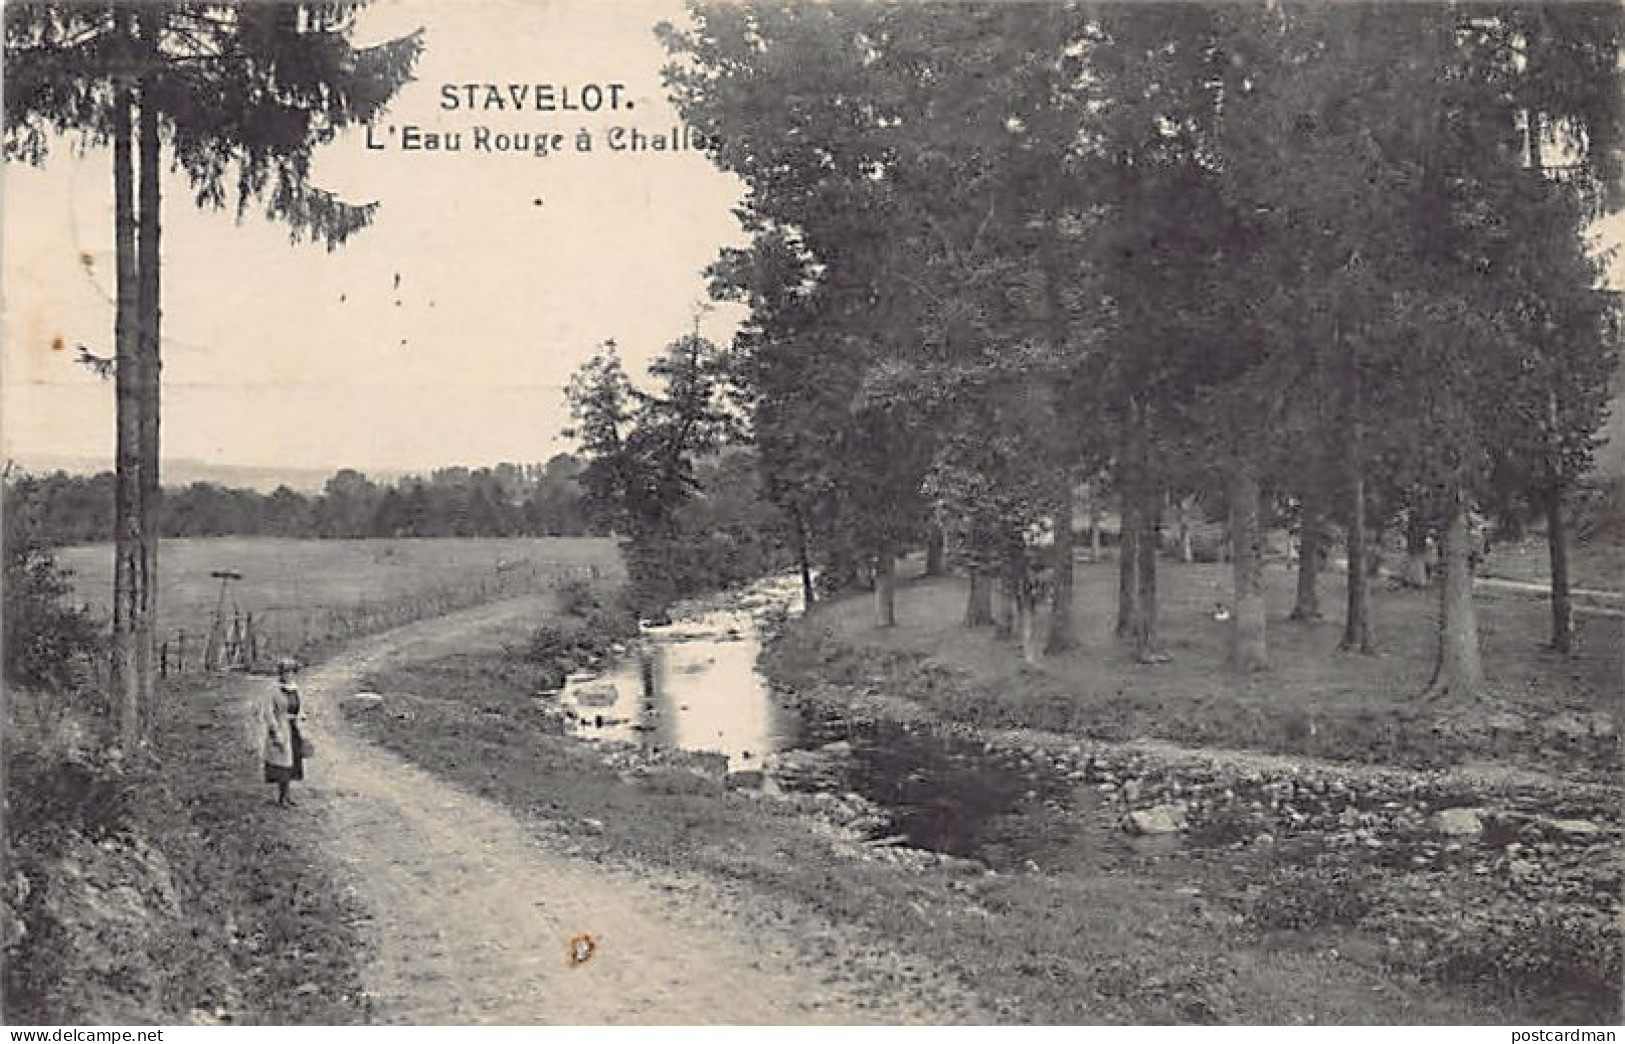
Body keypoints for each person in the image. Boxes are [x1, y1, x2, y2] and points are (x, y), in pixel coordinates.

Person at [261, 660, 307, 806]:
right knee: (282, 763)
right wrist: (275, 731)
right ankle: (281, 797)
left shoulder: (294, 689)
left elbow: (299, 707)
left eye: (292, 672)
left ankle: (287, 795)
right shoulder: (274, 690)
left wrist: (301, 717)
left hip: (293, 728)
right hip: (281, 727)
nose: (289, 675)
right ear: (280, 674)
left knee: (293, 761)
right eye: (286, 672)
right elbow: (268, 713)